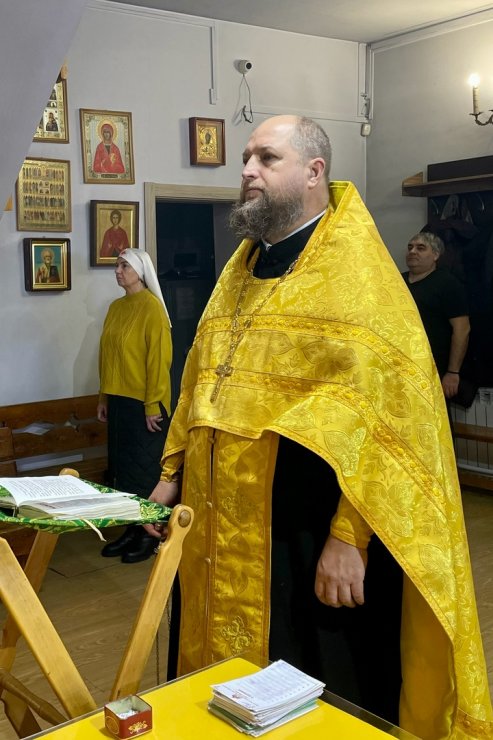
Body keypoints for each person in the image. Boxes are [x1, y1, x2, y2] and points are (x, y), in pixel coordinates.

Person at [146, 115, 491, 738]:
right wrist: (172, 476)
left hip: (307, 531)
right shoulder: (242, 270)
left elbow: (387, 424)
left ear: (314, 172)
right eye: (246, 158)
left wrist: (349, 538)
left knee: (313, 694)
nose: (247, 171)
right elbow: (201, 381)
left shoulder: (361, 280)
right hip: (220, 523)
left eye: (266, 158)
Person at [98, 248, 172, 563]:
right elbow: (106, 356)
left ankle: (149, 534)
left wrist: (153, 404)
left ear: (140, 272)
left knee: (144, 470)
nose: (118, 271)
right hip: (119, 401)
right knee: (124, 471)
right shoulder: (115, 308)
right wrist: (104, 397)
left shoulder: (152, 309)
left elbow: (159, 361)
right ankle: (131, 528)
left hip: (144, 403)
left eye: (124, 266)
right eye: (117, 265)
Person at [402, 232, 470, 400]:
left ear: (435, 255)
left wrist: (453, 372)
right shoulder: (396, 281)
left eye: (421, 248)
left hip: (433, 366)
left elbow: (462, 329)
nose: (412, 251)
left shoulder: (447, 283)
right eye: (410, 247)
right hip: (400, 363)